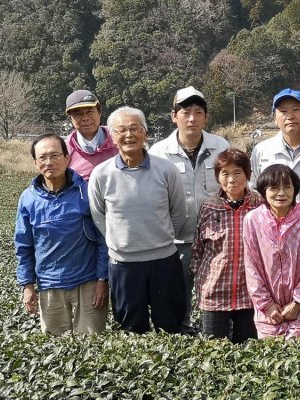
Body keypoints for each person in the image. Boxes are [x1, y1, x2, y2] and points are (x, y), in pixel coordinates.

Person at [88, 106, 187, 334]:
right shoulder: (101, 174)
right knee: (131, 329)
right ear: (112, 136)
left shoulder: (166, 170)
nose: (129, 135)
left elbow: (179, 213)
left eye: (135, 128)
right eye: (121, 130)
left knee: (171, 326)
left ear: (146, 133)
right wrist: (121, 240)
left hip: (164, 261)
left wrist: (161, 237)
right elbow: (98, 216)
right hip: (124, 265)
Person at [149, 86, 229, 334]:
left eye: (198, 112)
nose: (192, 118)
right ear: (174, 116)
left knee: (216, 292)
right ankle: (182, 339)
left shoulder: (221, 147)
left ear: (206, 116)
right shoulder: (158, 153)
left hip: (216, 239)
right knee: (178, 294)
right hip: (176, 240)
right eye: (185, 112)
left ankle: (215, 338)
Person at [14, 133, 108, 335]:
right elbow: (24, 246)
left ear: (67, 158)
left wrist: (103, 279)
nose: (49, 162)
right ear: (35, 162)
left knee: (92, 344)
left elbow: (103, 239)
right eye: (42, 158)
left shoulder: (86, 192)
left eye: (55, 155)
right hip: (49, 284)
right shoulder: (28, 199)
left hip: (88, 281)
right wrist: (27, 285)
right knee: (54, 347)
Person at [190, 148, 263, 343]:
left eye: (237, 173)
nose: (231, 179)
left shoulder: (259, 205)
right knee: (214, 352)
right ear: (218, 177)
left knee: (248, 351)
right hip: (214, 292)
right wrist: (201, 280)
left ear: (247, 175)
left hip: (249, 294)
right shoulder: (210, 207)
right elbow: (197, 250)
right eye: (225, 173)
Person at [243, 164, 300, 338]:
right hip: (268, 313)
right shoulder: (253, 220)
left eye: (287, 187)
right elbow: (251, 267)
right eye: (274, 188)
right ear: (263, 190)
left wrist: (298, 302)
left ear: (295, 190)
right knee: (270, 361)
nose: (281, 193)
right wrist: (267, 305)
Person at [250, 88, 300, 217]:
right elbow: (254, 192)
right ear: (275, 118)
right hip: (274, 231)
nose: (290, 116)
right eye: (283, 111)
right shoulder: (261, 151)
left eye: (296, 109)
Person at [63, 90, 119, 181]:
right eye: (78, 114)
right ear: (70, 118)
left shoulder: (118, 138)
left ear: (99, 112)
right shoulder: (65, 149)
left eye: (89, 112)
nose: (85, 118)